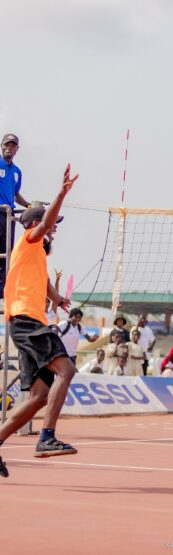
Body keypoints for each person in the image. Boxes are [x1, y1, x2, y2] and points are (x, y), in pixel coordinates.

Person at [0, 165, 79, 478]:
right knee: (67, 369)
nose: (54, 229)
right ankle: (46, 438)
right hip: (26, 320)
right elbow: (44, 222)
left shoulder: (37, 254)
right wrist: (61, 194)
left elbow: (43, 280)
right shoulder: (30, 239)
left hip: (25, 322)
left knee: (38, 397)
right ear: (33, 226)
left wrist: (58, 299)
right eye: (51, 226)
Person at [0, 133, 30, 303]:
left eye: (13, 146)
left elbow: (15, 194)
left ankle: (2, 288)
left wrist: (27, 205)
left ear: (17, 149)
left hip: (8, 214)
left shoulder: (17, 171)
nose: (9, 148)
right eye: (6, 145)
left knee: (7, 251)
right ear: (1, 146)